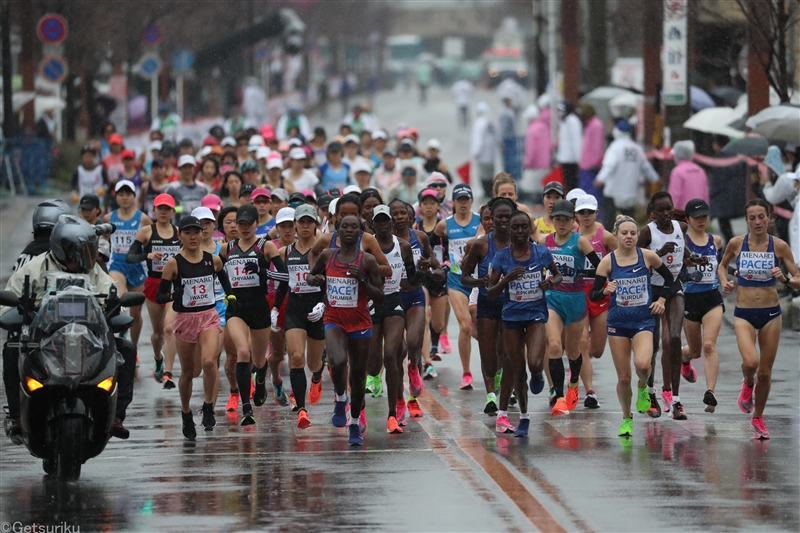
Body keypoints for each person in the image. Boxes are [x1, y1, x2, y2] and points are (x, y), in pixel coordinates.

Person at [3, 215, 137, 441]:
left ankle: (116, 416)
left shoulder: (94, 271)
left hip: (88, 340)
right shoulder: (34, 268)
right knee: (11, 349)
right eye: (81, 252)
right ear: (63, 249)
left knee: (127, 349)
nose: (87, 257)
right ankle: (16, 416)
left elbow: (115, 305)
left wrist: (116, 313)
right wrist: (20, 313)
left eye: (89, 251)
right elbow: (7, 303)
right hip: (45, 339)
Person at [718, 199, 800, 439]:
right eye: (752, 218)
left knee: (765, 372)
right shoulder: (737, 243)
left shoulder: (779, 246)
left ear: (769, 218)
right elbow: (722, 267)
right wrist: (724, 282)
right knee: (751, 363)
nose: (757, 222)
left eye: (761, 217)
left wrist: (783, 279)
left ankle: (759, 417)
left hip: (771, 313)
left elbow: (797, 278)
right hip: (744, 312)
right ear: (746, 220)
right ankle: (747, 383)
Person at [589, 215, 676, 438]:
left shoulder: (647, 257)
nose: (629, 237)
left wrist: (662, 300)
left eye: (633, 233)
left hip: (643, 322)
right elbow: (594, 293)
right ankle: (627, 418)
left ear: (637, 236)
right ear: (616, 236)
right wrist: (605, 291)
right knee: (624, 378)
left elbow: (671, 280)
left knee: (643, 365)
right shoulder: (607, 262)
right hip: (617, 324)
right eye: (624, 233)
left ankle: (643, 387)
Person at [308, 214, 384, 446]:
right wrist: (314, 279)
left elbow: (380, 296)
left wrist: (363, 281)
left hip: (360, 323)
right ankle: (341, 397)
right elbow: (312, 274)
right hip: (334, 320)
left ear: (360, 232)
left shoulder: (368, 260)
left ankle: (354, 424)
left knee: (359, 377)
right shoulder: (328, 255)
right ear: (337, 231)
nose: (349, 231)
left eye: (354, 227)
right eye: (344, 227)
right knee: (338, 361)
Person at [487, 211, 562, 436]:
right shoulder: (501, 257)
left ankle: (538, 374)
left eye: (524, 227)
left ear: (530, 229)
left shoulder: (541, 252)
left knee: (534, 363)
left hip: (536, 314)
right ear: (509, 231)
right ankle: (524, 416)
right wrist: (507, 279)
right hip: (511, 317)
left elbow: (557, 276)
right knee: (517, 369)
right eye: (515, 228)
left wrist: (551, 282)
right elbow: (490, 292)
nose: (520, 232)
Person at [155, 216, 228, 439]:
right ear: (180, 236)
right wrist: (173, 295)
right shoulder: (174, 263)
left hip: (208, 317)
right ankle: (186, 412)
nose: (193, 236)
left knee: (209, 361)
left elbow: (225, 281)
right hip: (185, 319)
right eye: (188, 232)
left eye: (196, 232)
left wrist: (232, 298)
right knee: (188, 372)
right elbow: (160, 295)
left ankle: (208, 405)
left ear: (202, 233)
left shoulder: (212, 260)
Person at [220, 204, 288, 425]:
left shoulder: (265, 246)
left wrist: (262, 271)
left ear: (256, 224)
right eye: (241, 224)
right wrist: (227, 294)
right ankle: (246, 408)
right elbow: (219, 274)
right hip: (236, 309)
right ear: (235, 226)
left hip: (259, 307)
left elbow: (286, 278)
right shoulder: (226, 249)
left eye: (249, 224)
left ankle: (260, 381)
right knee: (242, 351)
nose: (245, 228)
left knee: (259, 361)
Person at [540, 200, 602, 415]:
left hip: (575, 300)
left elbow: (599, 266)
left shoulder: (581, 241)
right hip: (552, 299)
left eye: (566, 219)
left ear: (573, 221)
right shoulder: (544, 241)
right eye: (558, 219)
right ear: (553, 220)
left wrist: (598, 286)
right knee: (555, 345)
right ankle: (558, 396)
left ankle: (574, 384)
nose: (562, 223)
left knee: (574, 350)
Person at [461, 198, 516, 417]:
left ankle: (497, 397)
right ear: (490, 218)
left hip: (513, 305)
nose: (503, 220)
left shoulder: (520, 242)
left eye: (507, 216)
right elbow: (464, 277)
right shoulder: (481, 244)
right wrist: (481, 282)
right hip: (487, 303)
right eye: (499, 216)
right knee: (489, 356)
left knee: (505, 350)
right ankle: (492, 390)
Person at [390, 199, 444, 422]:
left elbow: (436, 266)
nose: (400, 216)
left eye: (404, 213)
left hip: (414, 296)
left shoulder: (420, 238)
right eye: (396, 213)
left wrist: (428, 267)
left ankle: (414, 368)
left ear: (411, 218)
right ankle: (401, 401)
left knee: (413, 343)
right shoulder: (382, 241)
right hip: (393, 298)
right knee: (395, 352)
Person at [638, 192, 688, 419]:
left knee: (675, 338)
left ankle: (676, 400)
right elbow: (636, 265)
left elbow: (682, 249)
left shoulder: (681, 228)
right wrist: (658, 254)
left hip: (673, 286)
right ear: (653, 212)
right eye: (660, 211)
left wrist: (692, 257)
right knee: (654, 346)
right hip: (651, 290)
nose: (666, 214)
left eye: (669, 209)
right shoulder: (647, 232)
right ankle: (650, 394)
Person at [367, 205, 416, 432]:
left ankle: (395, 409)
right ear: (373, 224)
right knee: (373, 362)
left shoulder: (403, 246)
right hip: (373, 303)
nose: (384, 224)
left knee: (392, 354)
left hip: (394, 301)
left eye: (387, 220)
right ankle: (375, 384)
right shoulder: (366, 247)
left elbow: (412, 277)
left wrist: (430, 273)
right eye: (379, 221)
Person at [126, 193, 181, 385]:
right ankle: (158, 358)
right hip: (154, 284)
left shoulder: (179, 232)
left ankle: (168, 372)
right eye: (160, 208)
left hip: (174, 285)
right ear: (154, 210)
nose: (163, 212)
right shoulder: (146, 232)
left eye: (167, 209)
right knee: (158, 333)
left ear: (173, 211)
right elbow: (130, 257)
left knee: (169, 328)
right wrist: (146, 256)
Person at [279, 205, 326, 428]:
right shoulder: (285, 252)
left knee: (314, 362)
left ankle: (317, 377)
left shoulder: (324, 252)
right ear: (295, 224)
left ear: (316, 224)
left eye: (310, 222)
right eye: (302, 222)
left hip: (317, 311)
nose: (306, 226)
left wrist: (324, 305)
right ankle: (301, 409)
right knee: (296, 358)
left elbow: (333, 281)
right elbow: (279, 282)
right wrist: (273, 309)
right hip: (295, 310)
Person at [435, 184, 481, 389]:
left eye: (466, 199)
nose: (463, 204)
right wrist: (440, 263)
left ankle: (495, 364)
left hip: (478, 281)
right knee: (465, 326)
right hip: (456, 280)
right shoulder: (445, 225)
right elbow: (432, 243)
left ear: (471, 201)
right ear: (453, 202)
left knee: (483, 330)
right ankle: (467, 374)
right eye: (459, 200)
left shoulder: (481, 221)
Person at [680, 198, 724, 413]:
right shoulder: (682, 242)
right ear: (687, 219)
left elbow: (722, 266)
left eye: (704, 216)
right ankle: (683, 358)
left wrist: (726, 279)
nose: (701, 220)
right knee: (695, 351)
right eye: (696, 217)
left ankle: (710, 393)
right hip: (690, 299)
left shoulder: (715, 241)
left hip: (712, 298)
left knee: (709, 346)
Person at [575, 194, 617, 408]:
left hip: (599, 293)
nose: (586, 216)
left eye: (590, 212)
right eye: (582, 212)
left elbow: (622, 259)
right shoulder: (571, 236)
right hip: (578, 292)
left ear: (596, 212)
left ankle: (578, 356)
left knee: (597, 350)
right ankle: (589, 391)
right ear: (576, 215)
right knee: (582, 342)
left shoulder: (606, 236)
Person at [103, 180, 152, 350]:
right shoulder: (108, 218)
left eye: (128, 194)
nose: (124, 198)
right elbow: (103, 243)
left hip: (138, 266)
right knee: (120, 299)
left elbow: (150, 241)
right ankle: (121, 334)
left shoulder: (143, 219)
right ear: (115, 196)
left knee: (136, 313)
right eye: (121, 194)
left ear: (134, 196)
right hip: (117, 264)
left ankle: (133, 347)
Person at [594, 120, 659, 230]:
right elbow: (646, 167)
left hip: (613, 191)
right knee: (629, 221)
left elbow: (609, 166)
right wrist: (655, 178)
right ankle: (631, 241)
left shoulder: (615, 147)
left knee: (609, 221)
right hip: (630, 191)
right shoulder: (636, 149)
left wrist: (600, 179)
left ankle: (608, 243)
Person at [416, 188, 448, 371]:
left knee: (438, 323)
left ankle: (434, 341)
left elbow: (449, 252)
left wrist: (444, 266)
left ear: (438, 206)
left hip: (439, 277)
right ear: (420, 206)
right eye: (425, 203)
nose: (428, 207)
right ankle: (426, 359)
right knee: (423, 315)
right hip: (423, 278)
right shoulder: (415, 227)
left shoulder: (443, 226)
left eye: (432, 203)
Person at [708, 136, 747, 246]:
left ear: (717, 144)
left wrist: (712, 193)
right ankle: (734, 242)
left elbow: (717, 180)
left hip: (723, 195)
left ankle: (731, 242)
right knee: (727, 220)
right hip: (736, 193)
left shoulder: (720, 159)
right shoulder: (736, 157)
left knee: (723, 220)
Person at [522, 97, 552, 203]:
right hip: (546, 163)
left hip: (535, 165)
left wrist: (527, 162)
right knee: (543, 188)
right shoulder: (544, 127)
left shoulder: (532, 130)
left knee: (535, 190)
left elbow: (531, 149)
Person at [578, 104, 605, 217]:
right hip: (586, 165)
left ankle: (595, 218)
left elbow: (597, 146)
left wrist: (595, 162)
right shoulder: (590, 125)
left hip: (591, 166)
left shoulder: (596, 125)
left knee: (592, 195)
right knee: (586, 194)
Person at [668, 141, 708, 211]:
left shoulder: (677, 172)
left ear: (678, 155)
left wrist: (670, 212)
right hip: (699, 213)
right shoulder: (700, 171)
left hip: (682, 214)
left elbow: (674, 195)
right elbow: (705, 194)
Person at [170, 155, 208, 223]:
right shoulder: (172, 189)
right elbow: (168, 209)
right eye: (184, 167)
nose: (187, 170)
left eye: (190, 167)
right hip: (179, 227)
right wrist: (183, 208)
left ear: (194, 168)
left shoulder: (203, 188)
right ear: (179, 169)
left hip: (199, 227)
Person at [471, 102, 497, 199]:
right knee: (490, 173)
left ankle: (486, 192)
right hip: (491, 154)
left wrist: (476, 151)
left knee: (483, 174)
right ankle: (490, 191)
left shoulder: (479, 123)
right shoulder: (490, 122)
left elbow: (478, 139)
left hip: (482, 154)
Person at [556, 102, 583, 192]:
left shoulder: (573, 121)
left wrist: (578, 159)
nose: (559, 112)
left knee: (572, 183)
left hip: (572, 159)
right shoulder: (564, 121)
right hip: (565, 158)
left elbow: (576, 141)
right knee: (567, 183)